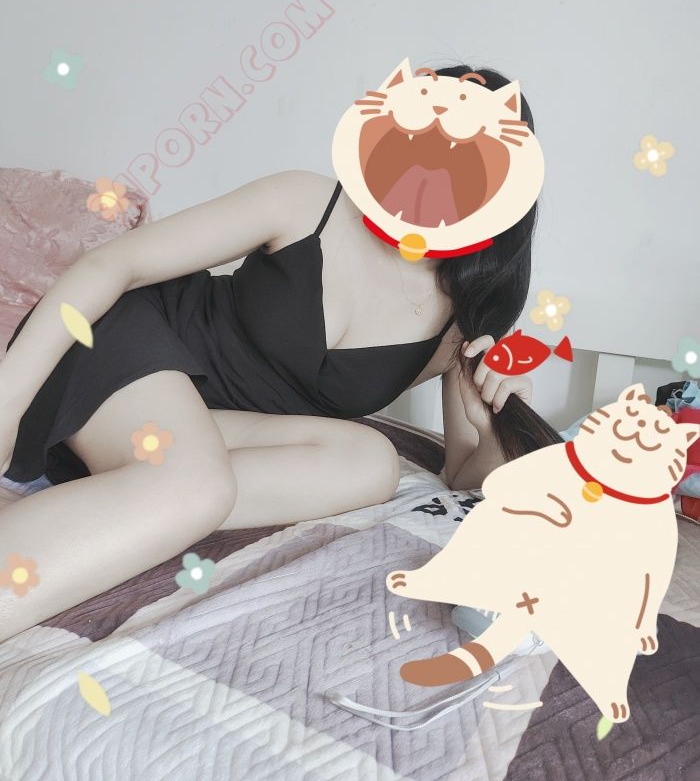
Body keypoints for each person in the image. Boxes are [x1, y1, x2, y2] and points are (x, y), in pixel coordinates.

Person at [0, 64, 561, 642]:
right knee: (196, 485)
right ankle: (162, 491)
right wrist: (9, 399)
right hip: (123, 343)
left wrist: (491, 425)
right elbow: (114, 264)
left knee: (374, 463)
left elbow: (463, 477)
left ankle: (112, 503)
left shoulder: (463, 322)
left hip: (199, 427)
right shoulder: (308, 202)